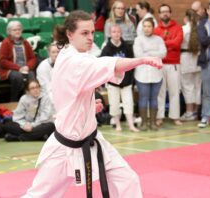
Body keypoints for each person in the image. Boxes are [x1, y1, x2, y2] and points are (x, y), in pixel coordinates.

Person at [22, 10, 162, 198]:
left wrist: (87, 107)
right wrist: (142, 60)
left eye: (92, 32)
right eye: (84, 33)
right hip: (65, 148)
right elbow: (110, 64)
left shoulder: (72, 54)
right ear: (70, 34)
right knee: (39, 195)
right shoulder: (73, 60)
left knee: (127, 180)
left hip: (92, 140)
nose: (90, 37)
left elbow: (77, 88)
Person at [100, 25, 138, 132]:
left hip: (126, 82)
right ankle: (117, 124)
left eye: (118, 32)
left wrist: (130, 80)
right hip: (113, 82)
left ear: (121, 33)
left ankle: (131, 125)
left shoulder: (127, 47)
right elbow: (103, 65)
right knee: (114, 104)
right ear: (110, 34)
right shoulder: (106, 48)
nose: (116, 34)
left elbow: (131, 63)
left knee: (128, 103)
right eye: (114, 32)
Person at [133, 18, 167, 131]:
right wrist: (153, 54)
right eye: (145, 26)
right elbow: (139, 55)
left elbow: (163, 53)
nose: (147, 28)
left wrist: (148, 52)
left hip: (156, 74)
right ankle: (144, 122)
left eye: (149, 26)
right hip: (142, 74)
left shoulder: (159, 39)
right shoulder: (138, 40)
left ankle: (153, 122)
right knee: (143, 98)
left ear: (153, 27)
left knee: (154, 98)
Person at [154, 4, 183, 126]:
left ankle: (175, 117)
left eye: (167, 11)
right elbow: (155, 46)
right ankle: (159, 116)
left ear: (170, 13)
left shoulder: (178, 28)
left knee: (174, 91)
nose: (165, 14)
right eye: (162, 12)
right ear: (159, 14)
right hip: (160, 64)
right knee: (160, 92)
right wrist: (167, 44)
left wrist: (163, 43)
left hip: (174, 64)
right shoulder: (155, 30)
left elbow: (177, 43)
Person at [0, 20, 37, 101]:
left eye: (19, 29)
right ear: (9, 32)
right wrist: (18, 68)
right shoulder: (5, 43)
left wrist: (27, 66)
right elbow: (3, 61)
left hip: (25, 68)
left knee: (31, 75)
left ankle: (31, 99)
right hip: (10, 69)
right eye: (14, 30)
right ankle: (14, 99)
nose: (17, 31)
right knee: (17, 76)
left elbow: (32, 58)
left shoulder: (25, 42)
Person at [180, 9, 201, 121]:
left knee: (188, 87)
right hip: (198, 59)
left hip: (185, 59)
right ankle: (196, 111)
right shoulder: (200, 29)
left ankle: (189, 112)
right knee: (197, 86)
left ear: (186, 18)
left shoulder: (183, 29)